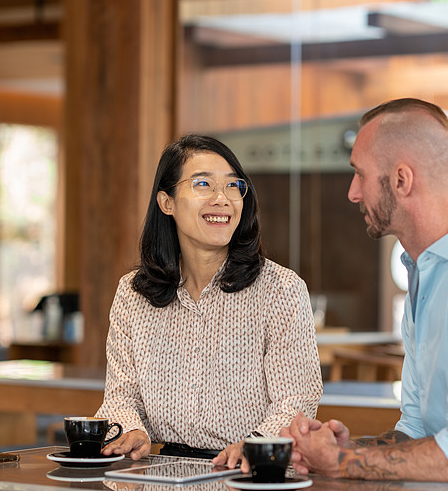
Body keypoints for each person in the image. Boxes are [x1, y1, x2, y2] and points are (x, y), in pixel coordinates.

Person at [282, 98, 448, 491]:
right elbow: (415, 431)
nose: (352, 193)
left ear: (402, 180)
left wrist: (344, 461)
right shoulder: (425, 275)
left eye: (359, 175)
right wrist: (344, 449)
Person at [95, 134, 323, 467]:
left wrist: (254, 444)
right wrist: (133, 430)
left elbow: (296, 399)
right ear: (166, 202)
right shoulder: (133, 294)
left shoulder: (280, 290)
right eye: (203, 184)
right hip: (162, 474)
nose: (222, 199)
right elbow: (121, 394)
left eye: (234, 187)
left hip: (250, 473)